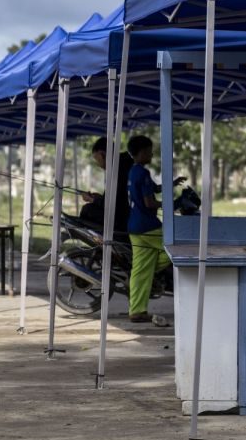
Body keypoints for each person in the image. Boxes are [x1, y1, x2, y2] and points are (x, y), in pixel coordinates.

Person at [124, 134, 184, 324]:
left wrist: (170, 184)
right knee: (178, 245)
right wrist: (170, 204)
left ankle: (137, 311)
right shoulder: (143, 173)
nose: (152, 154)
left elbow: (151, 189)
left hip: (134, 227)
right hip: (148, 227)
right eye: (150, 151)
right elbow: (149, 202)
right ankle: (155, 277)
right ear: (141, 152)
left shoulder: (134, 172)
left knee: (140, 270)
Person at [79, 136, 132, 243]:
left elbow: (113, 204)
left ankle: (101, 241)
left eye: (97, 159)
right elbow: (116, 197)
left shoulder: (116, 169)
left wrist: (92, 200)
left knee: (87, 210)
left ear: (102, 155)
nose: (98, 164)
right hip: (127, 214)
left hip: (121, 219)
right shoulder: (125, 163)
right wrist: (99, 198)